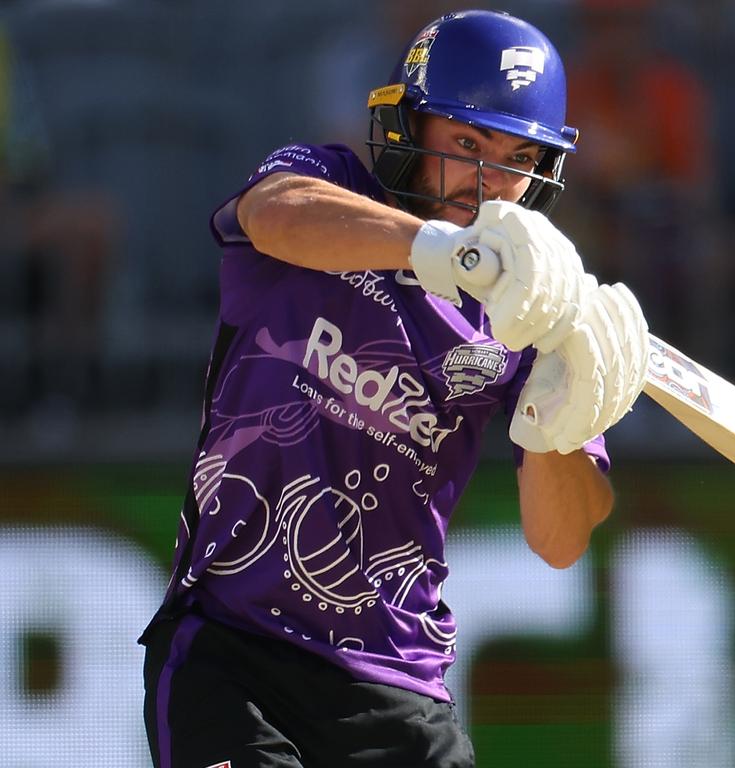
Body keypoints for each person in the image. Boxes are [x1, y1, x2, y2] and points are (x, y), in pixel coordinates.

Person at [139, 9, 648, 768]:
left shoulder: (528, 311)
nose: (486, 185)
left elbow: (561, 538)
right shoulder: (326, 181)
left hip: (398, 683)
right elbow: (273, 214)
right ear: (410, 128)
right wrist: (442, 253)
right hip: (230, 649)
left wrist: (558, 412)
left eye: (515, 158)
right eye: (466, 144)